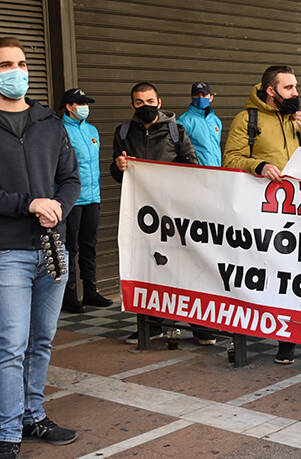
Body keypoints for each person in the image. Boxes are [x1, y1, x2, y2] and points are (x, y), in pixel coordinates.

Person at [0, 36, 81, 459]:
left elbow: (70, 179)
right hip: (8, 252)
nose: (15, 72)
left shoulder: (50, 121)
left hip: (52, 249)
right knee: (11, 345)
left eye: (21, 64)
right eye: (5, 65)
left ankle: (33, 415)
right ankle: (7, 430)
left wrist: (58, 207)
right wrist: (29, 203)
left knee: (42, 340)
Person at [223, 65, 301, 365]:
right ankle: (287, 340)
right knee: (281, 276)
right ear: (271, 91)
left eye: (296, 86)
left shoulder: (297, 117)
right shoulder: (247, 119)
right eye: (289, 88)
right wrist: (258, 166)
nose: (296, 93)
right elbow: (230, 159)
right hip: (267, 212)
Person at [111, 82, 203, 345]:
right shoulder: (124, 132)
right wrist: (119, 166)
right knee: (147, 268)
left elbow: (192, 165)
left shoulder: (176, 130)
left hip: (174, 213)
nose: (146, 106)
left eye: (150, 101)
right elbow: (117, 174)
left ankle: (200, 327)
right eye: (140, 102)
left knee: (184, 266)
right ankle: (152, 326)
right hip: (142, 214)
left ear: (159, 102)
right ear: (132, 105)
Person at [60, 88, 113, 314]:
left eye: (86, 104)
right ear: (69, 107)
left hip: (93, 197)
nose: (85, 108)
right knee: (70, 248)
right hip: (72, 200)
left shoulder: (92, 130)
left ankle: (90, 290)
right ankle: (69, 294)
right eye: (80, 104)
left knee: (89, 245)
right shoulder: (60, 130)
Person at [177, 82, 222, 167]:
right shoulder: (184, 121)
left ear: (211, 97)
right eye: (196, 95)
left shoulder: (216, 121)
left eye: (204, 95)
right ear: (191, 97)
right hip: (197, 172)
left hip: (217, 171)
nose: (200, 98)